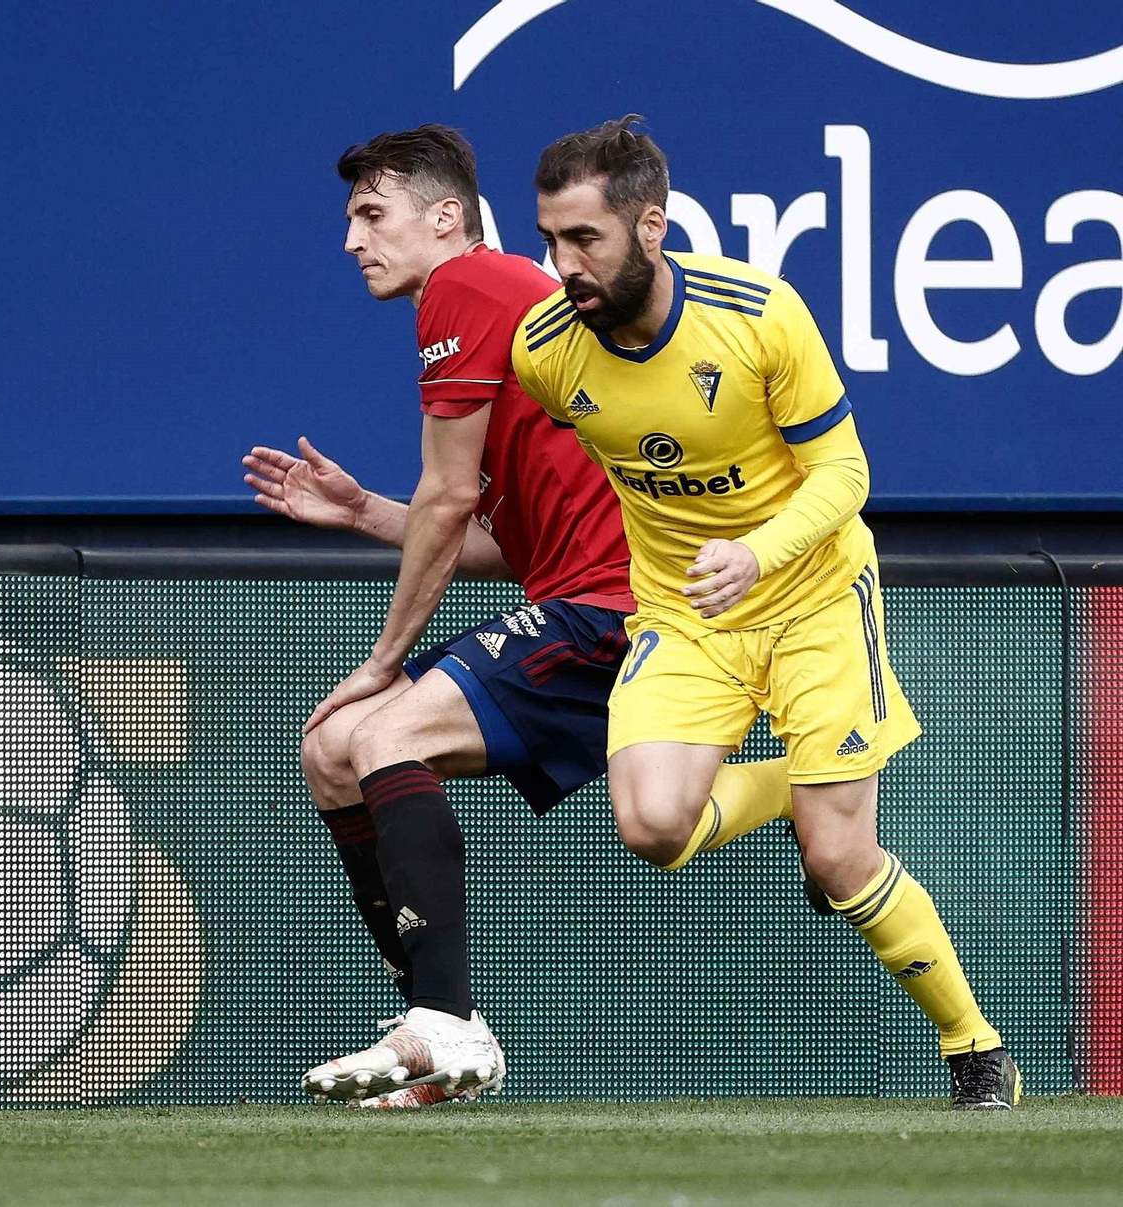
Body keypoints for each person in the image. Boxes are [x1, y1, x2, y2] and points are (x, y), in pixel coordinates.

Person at [242, 125, 793, 1108]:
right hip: (577, 596)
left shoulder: (460, 289)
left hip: (619, 611)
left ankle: (445, 1023)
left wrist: (383, 658)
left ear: (445, 217)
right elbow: (506, 540)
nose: (351, 240)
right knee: (331, 749)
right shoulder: (509, 309)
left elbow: (450, 506)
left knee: (380, 732)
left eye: (371, 214)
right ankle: (440, 1026)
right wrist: (365, 509)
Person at [513, 115, 1019, 1109]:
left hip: (814, 597)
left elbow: (845, 471)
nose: (561, 262)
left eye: (585, 239)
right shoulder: (545, 353)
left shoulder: (756, 315)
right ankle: (795, 786)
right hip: (686, 616)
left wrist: (756, 553)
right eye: (550, 239)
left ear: (649, 226)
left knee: (841, 860)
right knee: (651, 825)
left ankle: (976, 1050)